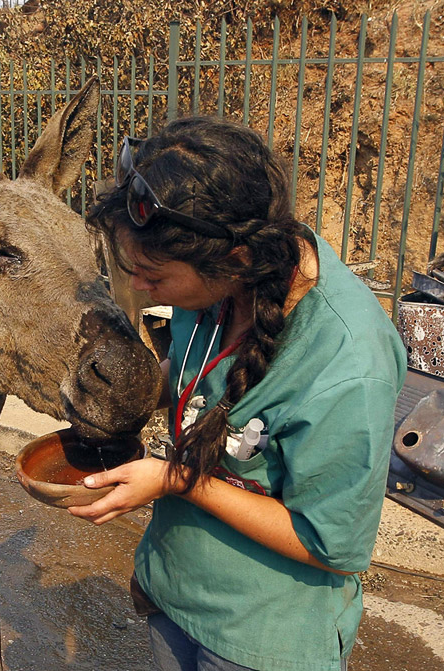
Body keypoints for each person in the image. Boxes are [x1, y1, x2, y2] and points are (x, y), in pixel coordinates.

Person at [73, 116, 407, 671]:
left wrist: (175, 480)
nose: (138, 288)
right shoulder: (220, 279)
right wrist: (129, 394)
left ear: (237, 260)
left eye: (153, 275)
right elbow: (196, 376)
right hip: (175, 595)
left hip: (262, 639)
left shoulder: (350, 363)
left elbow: (330, 547)